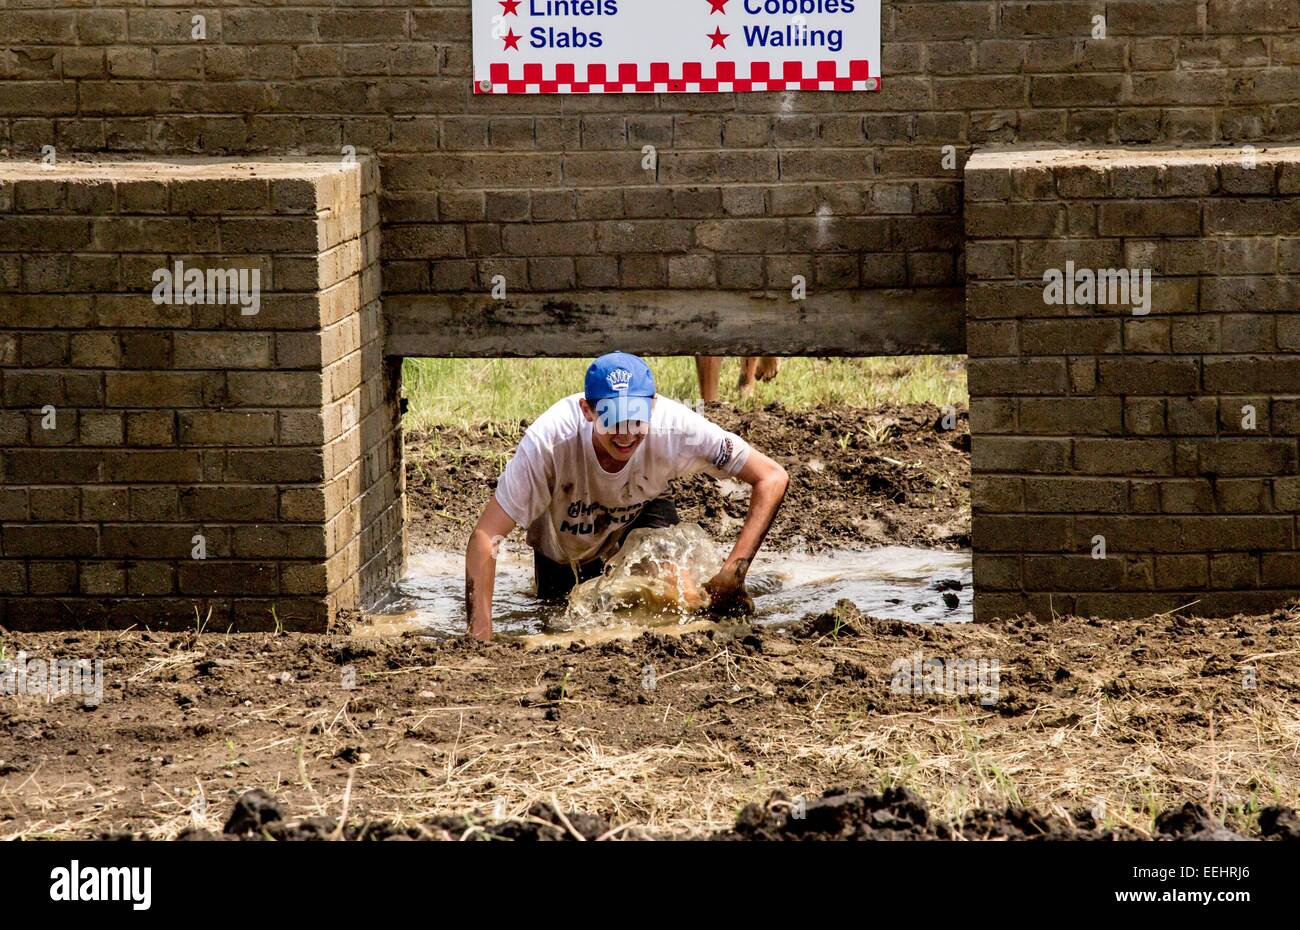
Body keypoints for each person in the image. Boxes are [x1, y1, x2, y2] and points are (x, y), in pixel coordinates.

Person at [465, 352, 790, 641]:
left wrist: (733, 573)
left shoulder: (677, 428)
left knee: (677, 600)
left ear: (653, 405)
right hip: (566, 532)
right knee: (559, 619)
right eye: (612, 418)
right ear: (587, 411)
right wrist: (480, 637)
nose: (625, 433)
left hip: (642, 506)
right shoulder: (548, 442)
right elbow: (485, 536)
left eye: (636, 417)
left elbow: (772, 477)